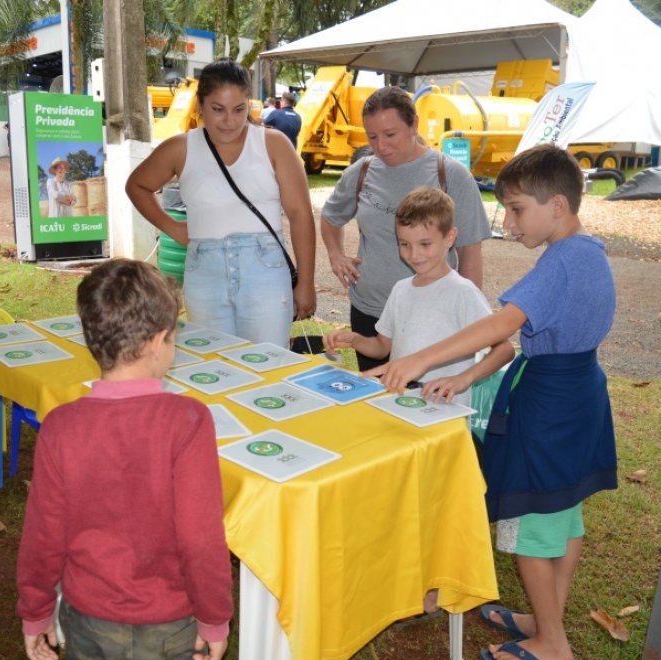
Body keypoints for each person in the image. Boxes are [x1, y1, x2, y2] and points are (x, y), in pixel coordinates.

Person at [368, 145, 617, 660]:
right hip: (579, 393)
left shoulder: (563, 258)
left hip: (550, 402)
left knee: (530, 522)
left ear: (557, 205)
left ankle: (553, 643)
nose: (508, 220)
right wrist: (458, 373)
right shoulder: (590, 250)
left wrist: (418, 359)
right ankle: (543, 621)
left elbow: (501, 326)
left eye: (517, 209)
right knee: (564, 517)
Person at [17, 258, 233, 660]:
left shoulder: (60, 426)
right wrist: (214, 617)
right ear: (157, 341)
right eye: (175, 336)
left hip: (87, 623)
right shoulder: (187, 421)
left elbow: (43, 533)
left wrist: (36, 610)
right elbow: (201, 538)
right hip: (171, 624)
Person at [126, 58, 316, 347]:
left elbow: (301, 215)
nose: (229, 120)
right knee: (214, 368)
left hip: (265, 272)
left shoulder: (273, 143)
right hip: (205, 273)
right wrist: (171, 226)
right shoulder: (181, 147)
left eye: (239, 109)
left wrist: (306, 283)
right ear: (201, 105)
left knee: (268, 364)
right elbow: (137, 185)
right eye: (218, 110)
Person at [321, 85, 491, 371]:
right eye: (372, 137)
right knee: (378, 396)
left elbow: (470, 256)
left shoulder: (451, 175)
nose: (381, 146)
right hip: (369, 310)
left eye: (390, 135)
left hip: (431, 317)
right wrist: (336, 255)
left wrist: (463, 322)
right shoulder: (361, 172)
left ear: (414, 124)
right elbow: (330, 217)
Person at [326, 187, 514, 409]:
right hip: (400, 404)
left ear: (450, 237)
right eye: (404, 244)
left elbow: (505, 349)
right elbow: (382, 346)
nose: (414, 254)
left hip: (443, 412)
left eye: (425, 244)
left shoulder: (463, 293)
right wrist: (355, 340)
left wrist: (464, 379)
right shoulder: (400, 289)